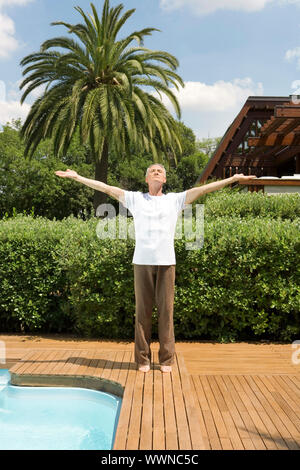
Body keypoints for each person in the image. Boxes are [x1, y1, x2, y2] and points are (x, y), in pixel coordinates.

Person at [55, 165, 257, 373]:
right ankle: (142, 359)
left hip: (166, 262)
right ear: (146, 178)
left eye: (160, 170)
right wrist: (78, 177)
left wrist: (232, 178)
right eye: (152, 170)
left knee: (166, 312)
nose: (156, 172)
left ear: (165, 179)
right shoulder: (135, 199)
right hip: (142, 262)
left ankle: (166, 360)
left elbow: (205, 189)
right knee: (142, 312)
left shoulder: (175, 200)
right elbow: (106, 188)